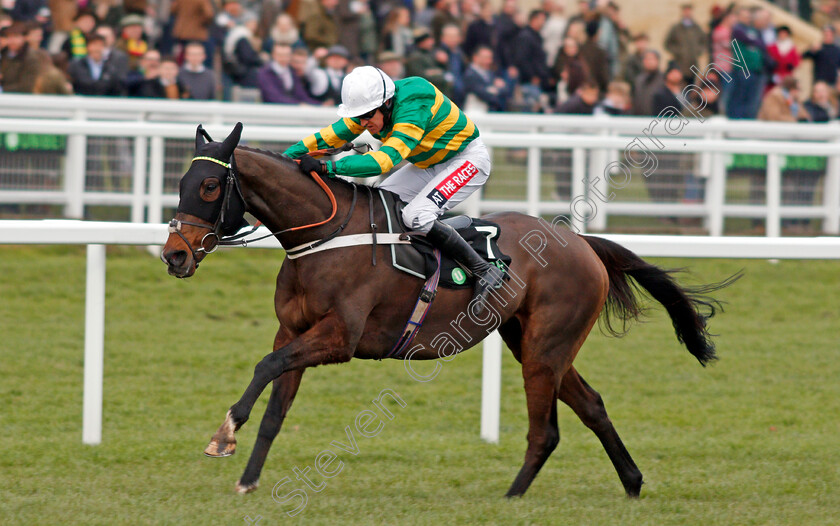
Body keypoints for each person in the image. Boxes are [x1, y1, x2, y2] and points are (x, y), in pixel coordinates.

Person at [283, 66, 505, 308]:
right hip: (428, 163)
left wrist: (328, 168)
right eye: (359, 117)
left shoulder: (415, 102)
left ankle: (484, 269)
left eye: (367, 116)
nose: (363, 123)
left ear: (387, 103)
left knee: (416, 216)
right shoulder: (371, 110)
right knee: (377, 208)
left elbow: (385, 161)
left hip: (466, 159)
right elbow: (328, 136)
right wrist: (281, 160)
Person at [663, 3, 706, 82]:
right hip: (679, 65)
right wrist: (678, 52)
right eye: (685, 10)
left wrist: (698, 51)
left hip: (693, 65)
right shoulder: (676, 28)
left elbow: (704, 41)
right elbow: (667, 43)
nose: (687, 12)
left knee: (692, 88)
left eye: (689, 10)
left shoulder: (696, 28)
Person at [463, 45, 513, 112]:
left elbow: (505, 89)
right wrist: (495, 89)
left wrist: (493, 90)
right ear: (475, 57)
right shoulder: (470, 75)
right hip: (475, 111)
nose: (489, 61)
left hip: (488, 110)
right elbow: (484, 94)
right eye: (485, 58)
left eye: (490, 58)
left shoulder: (489, 73)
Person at [0, 22, 41, 93]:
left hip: (20, 98)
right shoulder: (4, 53)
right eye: (9, 37)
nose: (12, 40)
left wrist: (2, 89)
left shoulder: (31, 57)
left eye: (16, 36)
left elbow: (26, 86)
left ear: (24, 38)